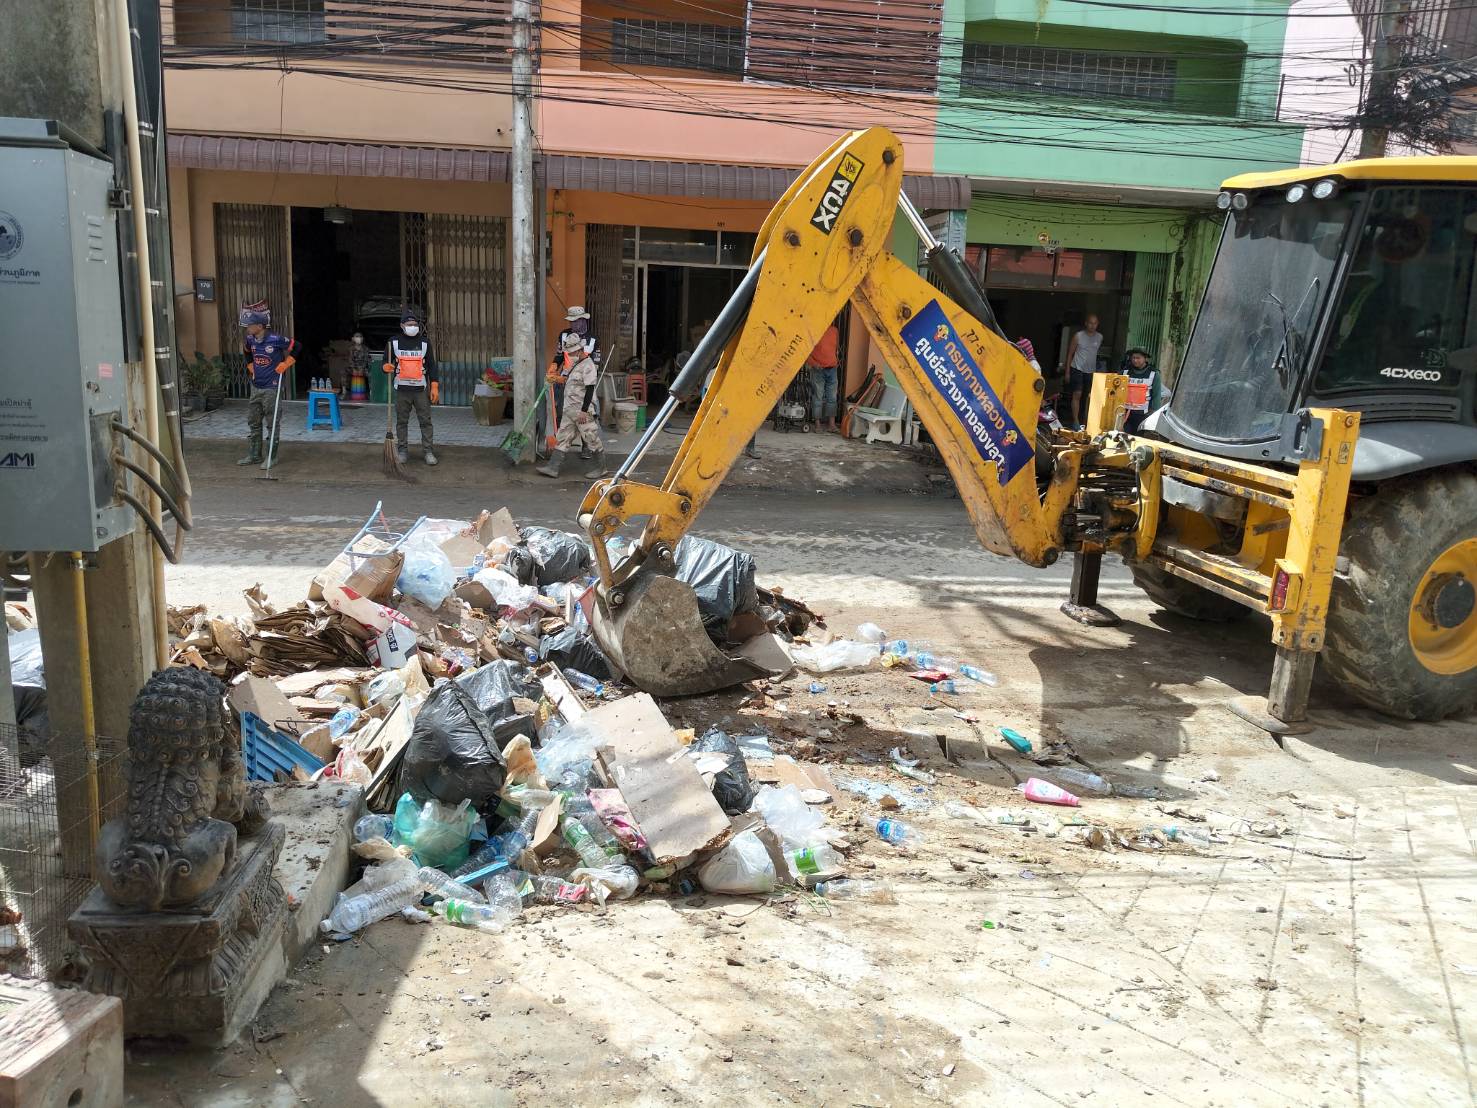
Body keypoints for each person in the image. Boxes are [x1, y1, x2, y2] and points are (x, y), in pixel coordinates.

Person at [537, 333, 605, 479]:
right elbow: (570, 381)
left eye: (572, 352)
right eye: (569, 352)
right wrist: (557, 379)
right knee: (563, 437)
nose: (570, 355)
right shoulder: (575, 364)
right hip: (569, 409)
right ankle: (553, 467)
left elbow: (590, 390)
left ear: (579, 350)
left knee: (591, 437)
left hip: (581, 411)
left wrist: (584, 411)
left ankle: (601, 468)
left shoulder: (588, 365)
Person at [237, 309, 298, 469]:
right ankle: (255, 455)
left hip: (272, 387)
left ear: (260, 326)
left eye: (250, 325)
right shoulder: (250, 339)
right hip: (256, 386)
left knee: (272, 422)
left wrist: (286, 363)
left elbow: (297, 346)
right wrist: (250, 365)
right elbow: (246, 351)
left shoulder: (276, 339)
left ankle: (272, 457)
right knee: (253, 421)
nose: (247, 328)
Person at [383, 307, 439, 466]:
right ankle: (402, 451)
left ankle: (428, 451)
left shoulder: (425, 343)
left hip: (421, 390)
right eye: (409, 324)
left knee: (426, 421)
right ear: (402, 326)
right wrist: (385, 367)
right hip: (402, 390)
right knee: (402, 422)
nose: (412, 327)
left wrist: (434, 385)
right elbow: (386, 361)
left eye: (415, 324)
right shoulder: (393, 342)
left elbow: (432, 365)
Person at [1064, 314, 1104, 429]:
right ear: (1086, 323)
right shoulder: (1078, 336)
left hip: (1090, 371)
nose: (1092, 325)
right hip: (1077, 368)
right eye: (1090, 323)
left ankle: (1085, 420)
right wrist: (1067, 372)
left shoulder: (1099, 337)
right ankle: (1075, 421)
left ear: (1097, 324)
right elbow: (1070, 354)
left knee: (1088, 396)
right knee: (1077, 393)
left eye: (1095, 323)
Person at [807, 320, 842, 433]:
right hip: (818, 370)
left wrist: (835, 361)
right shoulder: (814, 331)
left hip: (832, 369)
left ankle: (831, 425)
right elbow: (806, 352)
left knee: (832, 398)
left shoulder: (834, 330)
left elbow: (836, 348)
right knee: (818, 397)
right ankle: (817, 425)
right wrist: (814, 364)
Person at [1120, 346, 1161, 434]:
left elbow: (1156, 396)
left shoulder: (1154, 373)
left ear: (1145, 358)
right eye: (1133, 358)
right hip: (1126, 414)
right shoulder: (1125, 372)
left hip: (1144, 416)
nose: (1135, 360)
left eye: (1138, 358)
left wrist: (1154, 416)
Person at [348, 331, 372, 395]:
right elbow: (350, 360)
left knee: (371, 374)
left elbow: (366, 360)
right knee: (343, 372)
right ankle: (344, 392)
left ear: (363, 338)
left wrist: (362, 369)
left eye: (360, 336)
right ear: (353, 338)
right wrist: (354, 369)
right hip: (353, 368)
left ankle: (371, 391)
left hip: (363, 368)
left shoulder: (366, 349)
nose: (359, 338)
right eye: (357, 336)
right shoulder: (351, 349)